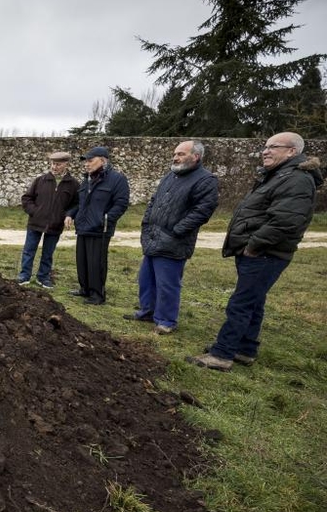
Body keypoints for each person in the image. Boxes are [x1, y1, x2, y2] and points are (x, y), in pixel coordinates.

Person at [190, 132, 321, 371]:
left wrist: (254, 245)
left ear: (292, 151)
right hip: (260, 251)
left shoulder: (296, 179)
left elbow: (286, 221)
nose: (266, 151)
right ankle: (245, 348)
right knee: (254, 301)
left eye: (274, 147)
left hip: (265, 253)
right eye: (265, 146)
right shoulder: (278, 176)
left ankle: (222, 354)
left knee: (241, 302)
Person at [125, 141, 219, 334]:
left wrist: (175, 231)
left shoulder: (205, 180)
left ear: (196, 156)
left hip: (174, 241)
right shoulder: (171, 175)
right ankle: (148, 312)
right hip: (153, 236)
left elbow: (202, 211)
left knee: (167, 283)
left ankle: (166, 321)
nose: (175, 157)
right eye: (175, 154)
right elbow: (154, 201)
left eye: (181, 154)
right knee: (146, 279)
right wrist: (147, 223)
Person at [64, 146, 130, 305]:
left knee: (96, 262)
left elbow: (121, 204)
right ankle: (85, 289)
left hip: (100, 229)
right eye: (85, 161)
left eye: (90, 160)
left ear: (103, 160)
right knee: (82, 261)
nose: (86, 164)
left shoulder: (117, 179)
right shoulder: (86, 179)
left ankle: (97, 295)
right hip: (83, 227)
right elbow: (81, 203)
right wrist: (70, 214)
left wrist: (105, 219)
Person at [17, 151, 80, 288]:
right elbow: (27, 198)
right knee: (29, 250)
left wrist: (69, 215)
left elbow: (76, 204)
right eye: (52, 163)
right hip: (36, 222)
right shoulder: (40, 180)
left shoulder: (73, 184)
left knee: (48, 253)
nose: (54, 167)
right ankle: (24, 275)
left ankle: (43, 277)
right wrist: (35, 212)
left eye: (58, 164)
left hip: (56, 224)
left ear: (66, 164)